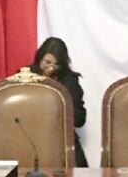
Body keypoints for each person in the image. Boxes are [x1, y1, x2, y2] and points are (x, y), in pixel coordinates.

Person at [30, 37, 88, 167]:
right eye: (47, 62)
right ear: (39, 58)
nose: (50, 68)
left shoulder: (69, 80)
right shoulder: (26, 75)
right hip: (31, 136)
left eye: (55, 65)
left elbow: (80, 119)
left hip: (61, 138)